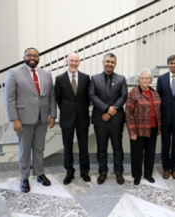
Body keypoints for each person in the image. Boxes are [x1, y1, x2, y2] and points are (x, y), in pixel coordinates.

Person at [4, 48, 56, 193]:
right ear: (24, 57)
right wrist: (14, 119)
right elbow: (9, 98)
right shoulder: (14, 73)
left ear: (39, 58)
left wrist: (52, 115)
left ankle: (39, 174)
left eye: (35, 55)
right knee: (25, 150)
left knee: (39, 148)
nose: (32, 57)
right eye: (29, 55)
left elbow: (51, 96)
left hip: (42, 117)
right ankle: (24, 178)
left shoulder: (46, 74)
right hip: (24, 119)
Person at [88, 53, 128, 185]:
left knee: (118, 147)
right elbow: (92, 96)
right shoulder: (94, 79)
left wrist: (110, 112)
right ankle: (102, 172)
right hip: (100, 119)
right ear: (103, 62)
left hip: (116, 120)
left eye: (112, 62)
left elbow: (123, 96)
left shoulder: (121, 79)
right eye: (108, 61)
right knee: (101, 148)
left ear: (115, 64)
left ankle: (118, 173)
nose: (110, 64)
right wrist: (106, 108)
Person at [55, 53, 91, 185]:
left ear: (79, 63)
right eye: (72, 60)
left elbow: (88, 97)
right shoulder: (59, 79)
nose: (74, 63)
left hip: (82, 117)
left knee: (83, 146)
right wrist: (67, 109)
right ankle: (69, 171)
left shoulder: (86, 78)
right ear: (66, 61)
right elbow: (58, 98)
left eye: (76, 61)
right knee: (68, 146)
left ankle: (84, 171)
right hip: (67, 117)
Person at [125, 68, 162, 185]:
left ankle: (148, 174)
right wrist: (132, 132)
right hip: (139, 129)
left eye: (147, 78)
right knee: (137, 153)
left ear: (150, 80)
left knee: (150, 153)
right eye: (142, 78)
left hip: (153, 128)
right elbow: (128, 113)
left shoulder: (155, 93)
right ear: (139, 80)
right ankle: (137, 175)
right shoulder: (133, 93)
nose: (145, 80)